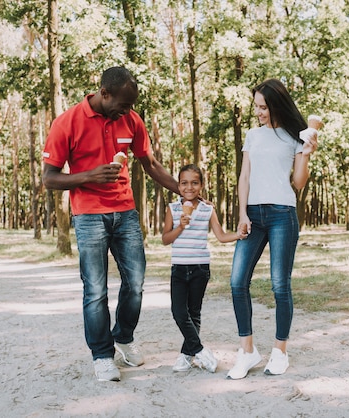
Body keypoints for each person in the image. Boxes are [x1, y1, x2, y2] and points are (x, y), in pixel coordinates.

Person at [42, 66, 180, 382]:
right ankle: (102, 355)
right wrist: (89, 176)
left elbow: (150, 164)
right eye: (123, 104)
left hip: (125, 212)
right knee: (95, 290)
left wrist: (183, 189)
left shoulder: (130, 120)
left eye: (131, 105)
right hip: (88, 215)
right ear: (104, 94)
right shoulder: (67, 122)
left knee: (136, 283)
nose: (128, 112)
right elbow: (49, 178)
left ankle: (124, 337)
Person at [227, 78, 319, 379]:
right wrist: (241, 212)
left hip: (282, 214)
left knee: (280, 284)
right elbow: (244, 177)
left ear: (276, 105)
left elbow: (299, 182)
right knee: (237, 281)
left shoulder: (295, 137)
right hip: (253, 214)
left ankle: (280, 351)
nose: (259, 112)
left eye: (263, 107)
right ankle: (248, 351)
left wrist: (307, 150)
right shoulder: (253, 136)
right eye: (256, 107)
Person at [162, 164, 246, 373]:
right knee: (179, 312)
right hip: (179, 268)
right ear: (178, 185)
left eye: (194, 183)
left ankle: (186, 354)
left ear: (201, 185)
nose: (188, 187)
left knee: (194, 312)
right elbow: (165, 239)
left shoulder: (208, 209)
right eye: (184, 183)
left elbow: (221, 236)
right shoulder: (172, 209)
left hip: (200, 267)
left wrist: (239, 235)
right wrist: (180, 226)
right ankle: (200, 350)